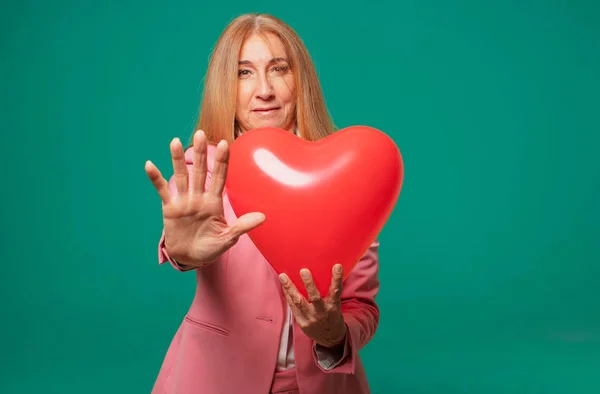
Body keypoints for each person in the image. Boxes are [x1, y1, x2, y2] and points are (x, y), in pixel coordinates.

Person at [144, 13, 381, 394]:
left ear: (300, 80)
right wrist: (183, 252)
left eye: (279, 68)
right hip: (212, 379)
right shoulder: (201, 171)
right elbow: (182, 244)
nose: (265, 89)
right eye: (244, 73)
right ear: (225, 85)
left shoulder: (346, 177)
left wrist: (334, 336)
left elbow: (361, 307)